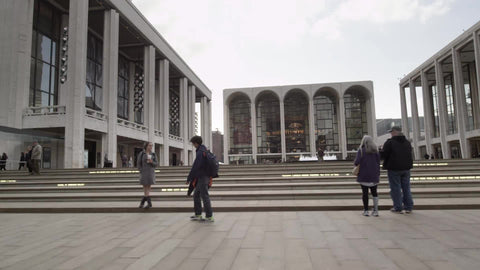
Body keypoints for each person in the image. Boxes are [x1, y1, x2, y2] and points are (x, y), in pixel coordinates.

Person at [381, 126, 414, 214]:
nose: (391, 133)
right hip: (406, 168)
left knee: (395, 188)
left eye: (391, 132)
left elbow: (384, 154)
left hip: (394, 168)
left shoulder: (390, 142)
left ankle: (398, 206)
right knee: (406, 188)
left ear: (395, 132)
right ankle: (408, 206)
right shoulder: (407, 142)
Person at [187, 136, 214, 222]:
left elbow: (196, 166)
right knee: (196, 195)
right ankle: (198, 214)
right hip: (203, 177)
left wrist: (189, 178)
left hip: (203, 177)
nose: (193, 145)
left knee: (204, 196)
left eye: (193, 143)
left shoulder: (200, 152)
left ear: (196, 143)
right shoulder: (204, 150)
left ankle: (209, 216)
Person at [354, 135, 381, 217]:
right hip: (374, 175)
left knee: (365, 193)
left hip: (364, 175)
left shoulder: (361, 151)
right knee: (374, 193)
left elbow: (356, 162)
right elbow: (378, 162)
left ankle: (366, 210)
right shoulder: (376, 151)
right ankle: (376, 210)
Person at [137, 142, 157, 209]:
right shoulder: (142, 154)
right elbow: (139, 163)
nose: (151, 147)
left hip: (150, 172)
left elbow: (156, 164)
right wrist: (141, 170)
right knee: (145, 188)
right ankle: (148, 203)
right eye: (150, 145)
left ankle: (143, 203)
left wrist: (152, 162)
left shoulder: (153, 154)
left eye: (152, 146)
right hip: (144, 172)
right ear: (146, 146)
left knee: (148, 187)